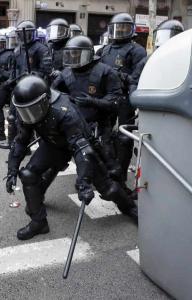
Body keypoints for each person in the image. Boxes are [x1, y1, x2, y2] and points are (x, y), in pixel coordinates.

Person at [5, 75, 137, 240]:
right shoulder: (27, 110)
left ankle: (130, 207)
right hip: (54, 144)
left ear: (45, 101)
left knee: (108, 189)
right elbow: (20, 141)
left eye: (32, 110)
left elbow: (82, 151)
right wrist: (12, 170)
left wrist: (84, 182)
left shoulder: (65, 112)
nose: (29, 116)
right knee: (28, 175)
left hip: (81, 144)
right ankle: (38, 221)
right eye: (25, 111)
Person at [51, 36, 137, 221]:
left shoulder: (105, 72)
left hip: (99, 126)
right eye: (70, 55)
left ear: (88, 55)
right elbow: (52, 94)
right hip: (72, 126)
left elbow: (116, 101)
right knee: (50, 162)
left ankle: (127, 204)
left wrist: (93, 102)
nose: (73, 59)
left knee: (110, 168)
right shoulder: (66, 73)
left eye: (76, 55)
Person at [97, 13, 147, 186]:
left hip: (125, 98)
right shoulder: (106, 49)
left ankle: (121, 174)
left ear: (131, 30)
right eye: (117, 28)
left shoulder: (137, 50)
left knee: (124, 137)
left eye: (124, 28)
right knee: (104, 133)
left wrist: (121, 76)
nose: (120, 32)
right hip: (107, 97)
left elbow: (138, 77)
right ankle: (107, 167)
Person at [0, 20, 50, 150]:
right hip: (19, 87)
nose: (22, 37)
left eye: (25, 34)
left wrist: (34, 74)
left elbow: (46, 71)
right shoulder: (18, 50)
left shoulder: (41, 49)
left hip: (34, 89)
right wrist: (10, 81)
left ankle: (39, 147)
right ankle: (13, 143)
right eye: (20, 34)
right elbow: (15, 69)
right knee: (12, 117)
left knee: (33, 121)